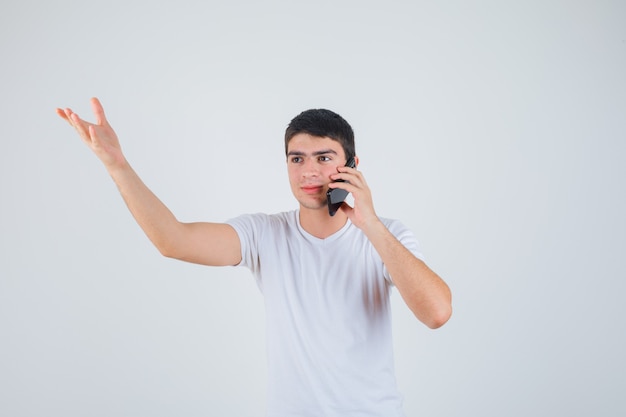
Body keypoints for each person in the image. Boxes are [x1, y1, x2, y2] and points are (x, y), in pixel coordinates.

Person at [56, 98, 452, 417]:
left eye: (324, 157)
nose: (309, 171)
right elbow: (173, 240)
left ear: (351, 166)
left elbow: (436, 312)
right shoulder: (265, 234)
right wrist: (117, 165)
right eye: (297, 158)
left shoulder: (388, 235)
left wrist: (371, 225)